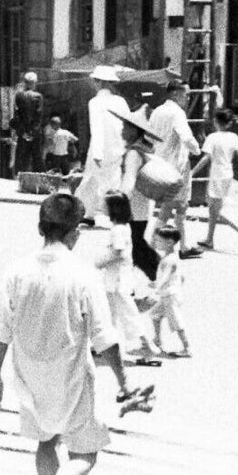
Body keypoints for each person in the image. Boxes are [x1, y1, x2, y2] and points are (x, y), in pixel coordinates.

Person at [0, 192, 135, 475]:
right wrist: (124, 382)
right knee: (85, 453)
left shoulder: (16, 271)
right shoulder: (83, 275)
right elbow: (105, 338)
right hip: (71, 377)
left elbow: (0, 331)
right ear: (76, 234)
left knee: (46, 442)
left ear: (40, 228)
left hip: (28, 376)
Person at [96, 191, 161, 361]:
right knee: (112, 315)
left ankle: (148, 346)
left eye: (104, 204)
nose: (101, 206)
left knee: (128, 315)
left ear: (113, 209)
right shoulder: (123, 227)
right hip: (117, 280)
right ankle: (113, 347)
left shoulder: (118, 230)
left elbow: (118, 253)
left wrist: (98, 262)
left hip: (117, 281)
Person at [148, 81, 203, 258]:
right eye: (185, 94)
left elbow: (149, 137)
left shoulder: (157, 111)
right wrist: (196, 149)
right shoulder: (177, 113)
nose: (188, 98)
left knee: (181, 207)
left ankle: (184, 246)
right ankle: (149, 246)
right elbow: (186, 137)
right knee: (168, 208)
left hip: (160, 164)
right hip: (176, 167)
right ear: (174, 94)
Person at [190, 109, 238, 254]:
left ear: (215, 121)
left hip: (217, 175)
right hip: (227, 174)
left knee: (218, 210)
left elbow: (206, 158)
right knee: (213, 208)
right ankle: (209, 239)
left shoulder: (212, 137)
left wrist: (192, 172)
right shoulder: (234, 137)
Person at [109, 105, 163, 281]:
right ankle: (127, 285)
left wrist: (120, 198)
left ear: (134, 130)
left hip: (133, 206)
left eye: (125, 127)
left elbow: (130, 178)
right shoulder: (144, 148)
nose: (122, 130)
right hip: (143, 204)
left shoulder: (134, 152)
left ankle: (164, 277)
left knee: (137, 248)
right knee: (135, 246)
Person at [75, 65, 131, 226]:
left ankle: (89, 212)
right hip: (118, 146)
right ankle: (96, 213)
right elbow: (128, 123)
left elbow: (96, 127)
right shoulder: (121, 101)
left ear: (99, 82)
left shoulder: (95, 102)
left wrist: (97, 152)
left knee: (91, 180)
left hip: (101, 147)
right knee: (113, 180)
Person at [145, 227, 191, 356]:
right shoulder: (172, 257)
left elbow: (163, 279)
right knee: (154, 315)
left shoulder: (168, 260)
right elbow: (181, 277)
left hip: (170, 297)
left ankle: (187, 348)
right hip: (170, 294)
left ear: (170, 242)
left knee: (176, 322)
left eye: (159, 240)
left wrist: (155, 289)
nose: (156, 242)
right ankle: (157, 339)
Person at [12, 71, 45, 174]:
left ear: (25, 83)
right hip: (35, 134)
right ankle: (39, 181)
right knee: (37, 157)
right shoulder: (38, 97)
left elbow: (17, 116)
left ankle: (20, 179)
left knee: (22, 158)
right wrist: (33, 133)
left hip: (23, 134)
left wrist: (23, 133)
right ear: (34, 82)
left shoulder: (19, 96)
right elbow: (38, 117)